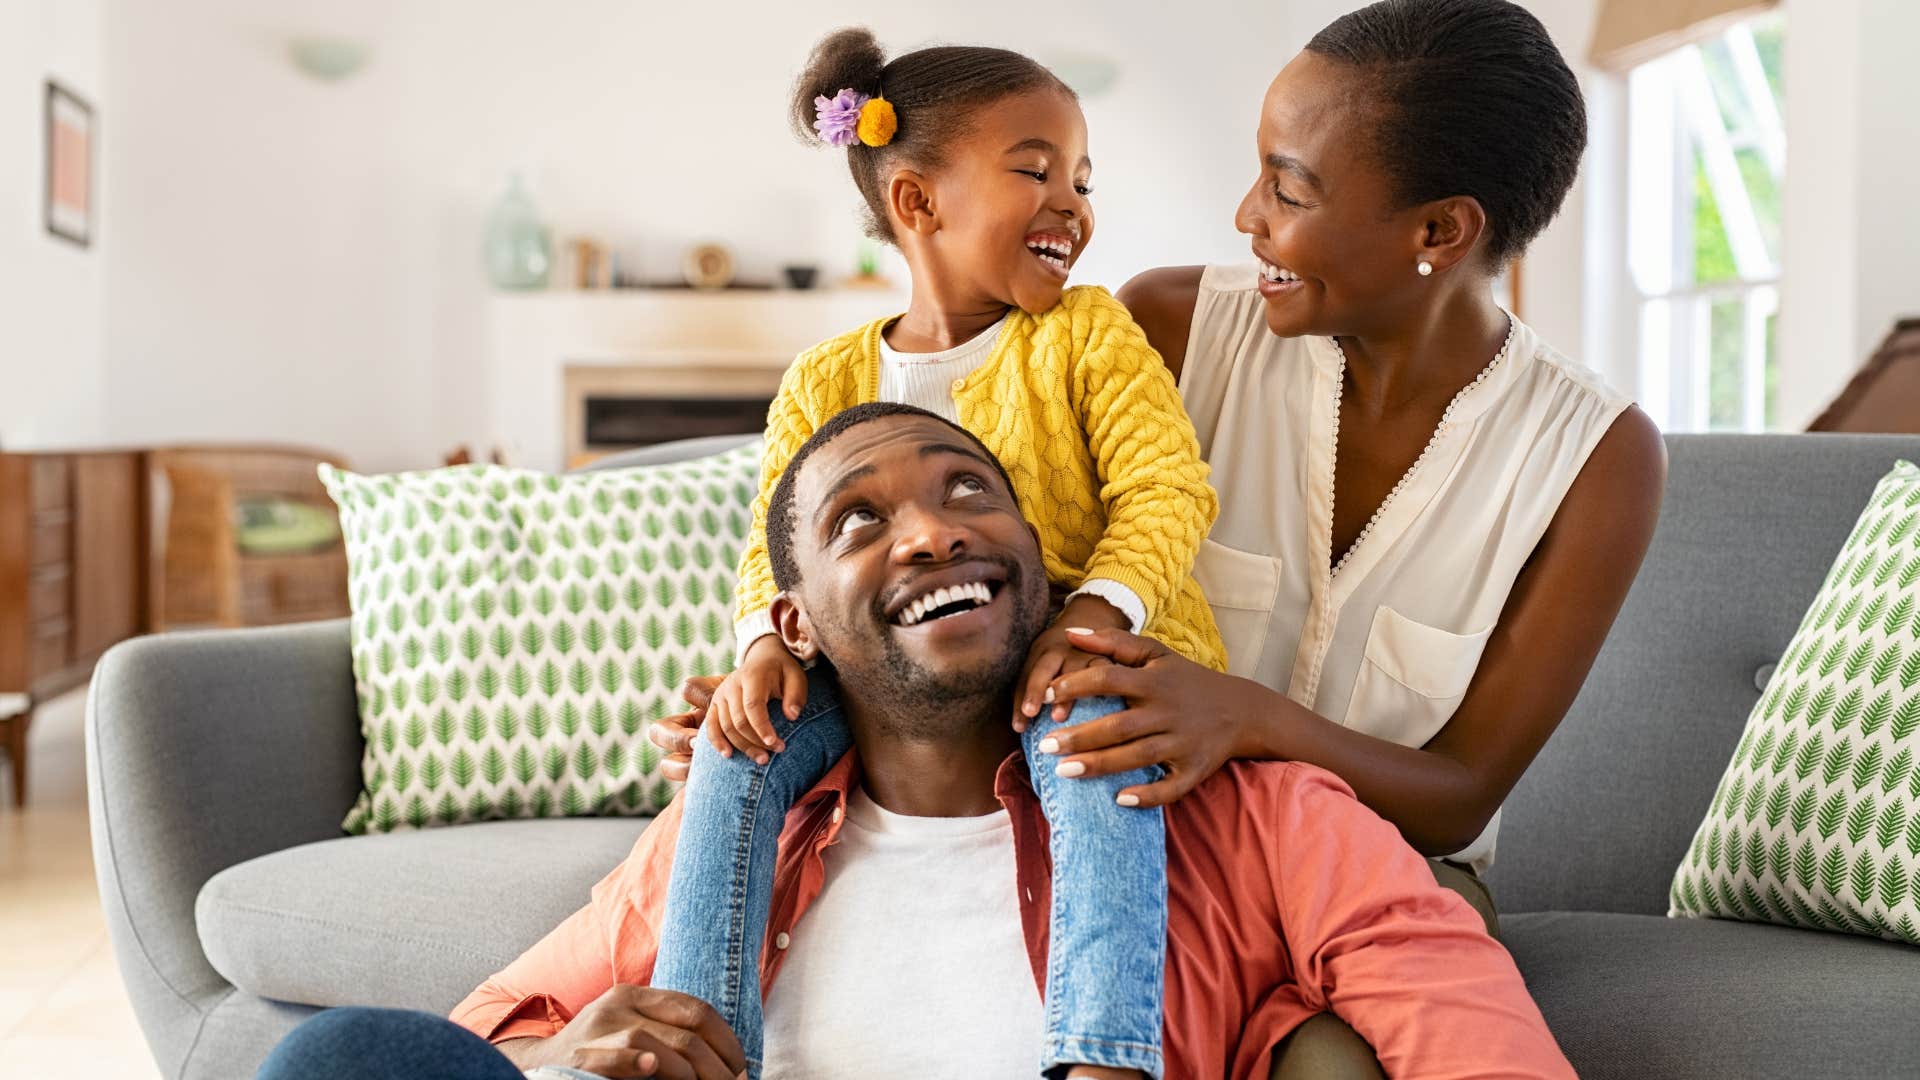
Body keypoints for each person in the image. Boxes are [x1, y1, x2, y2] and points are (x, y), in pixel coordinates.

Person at [654, 0, 1666, 1066]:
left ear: (1438, 232)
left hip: (1383, 863)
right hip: (1135, 826)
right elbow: (966, 539)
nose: (1244, 214)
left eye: (1288, 186)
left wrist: (1240, 716)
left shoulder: (1597, 461)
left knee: (1334, 1058)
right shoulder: (1170, 326)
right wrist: (801, 657)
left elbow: (1460, 795)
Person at [260, 401, 1563, 1080]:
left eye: (965, 498)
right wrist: (570, 1043)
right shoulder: (730, 835)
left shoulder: (1259, 814)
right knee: (339, 1058)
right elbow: (484, 1034)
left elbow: (1481, 1045)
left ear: (1039, 573)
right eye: (861, 523)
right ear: (794, 624)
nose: (933, 534)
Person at [652, 28, 1226, 1080]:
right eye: (1036, 170)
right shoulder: (826, 377)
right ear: (917, 204)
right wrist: (759, 647)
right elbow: (771, 547)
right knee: (738, 750)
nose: (1074, 205)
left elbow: (1167, 486)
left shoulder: (1088, 335)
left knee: (1092, 738)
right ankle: (701, 1042)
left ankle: (1103, 1053)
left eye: (1084, 181)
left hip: (1079, 651)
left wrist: (1093, 613)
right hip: (889, 682)